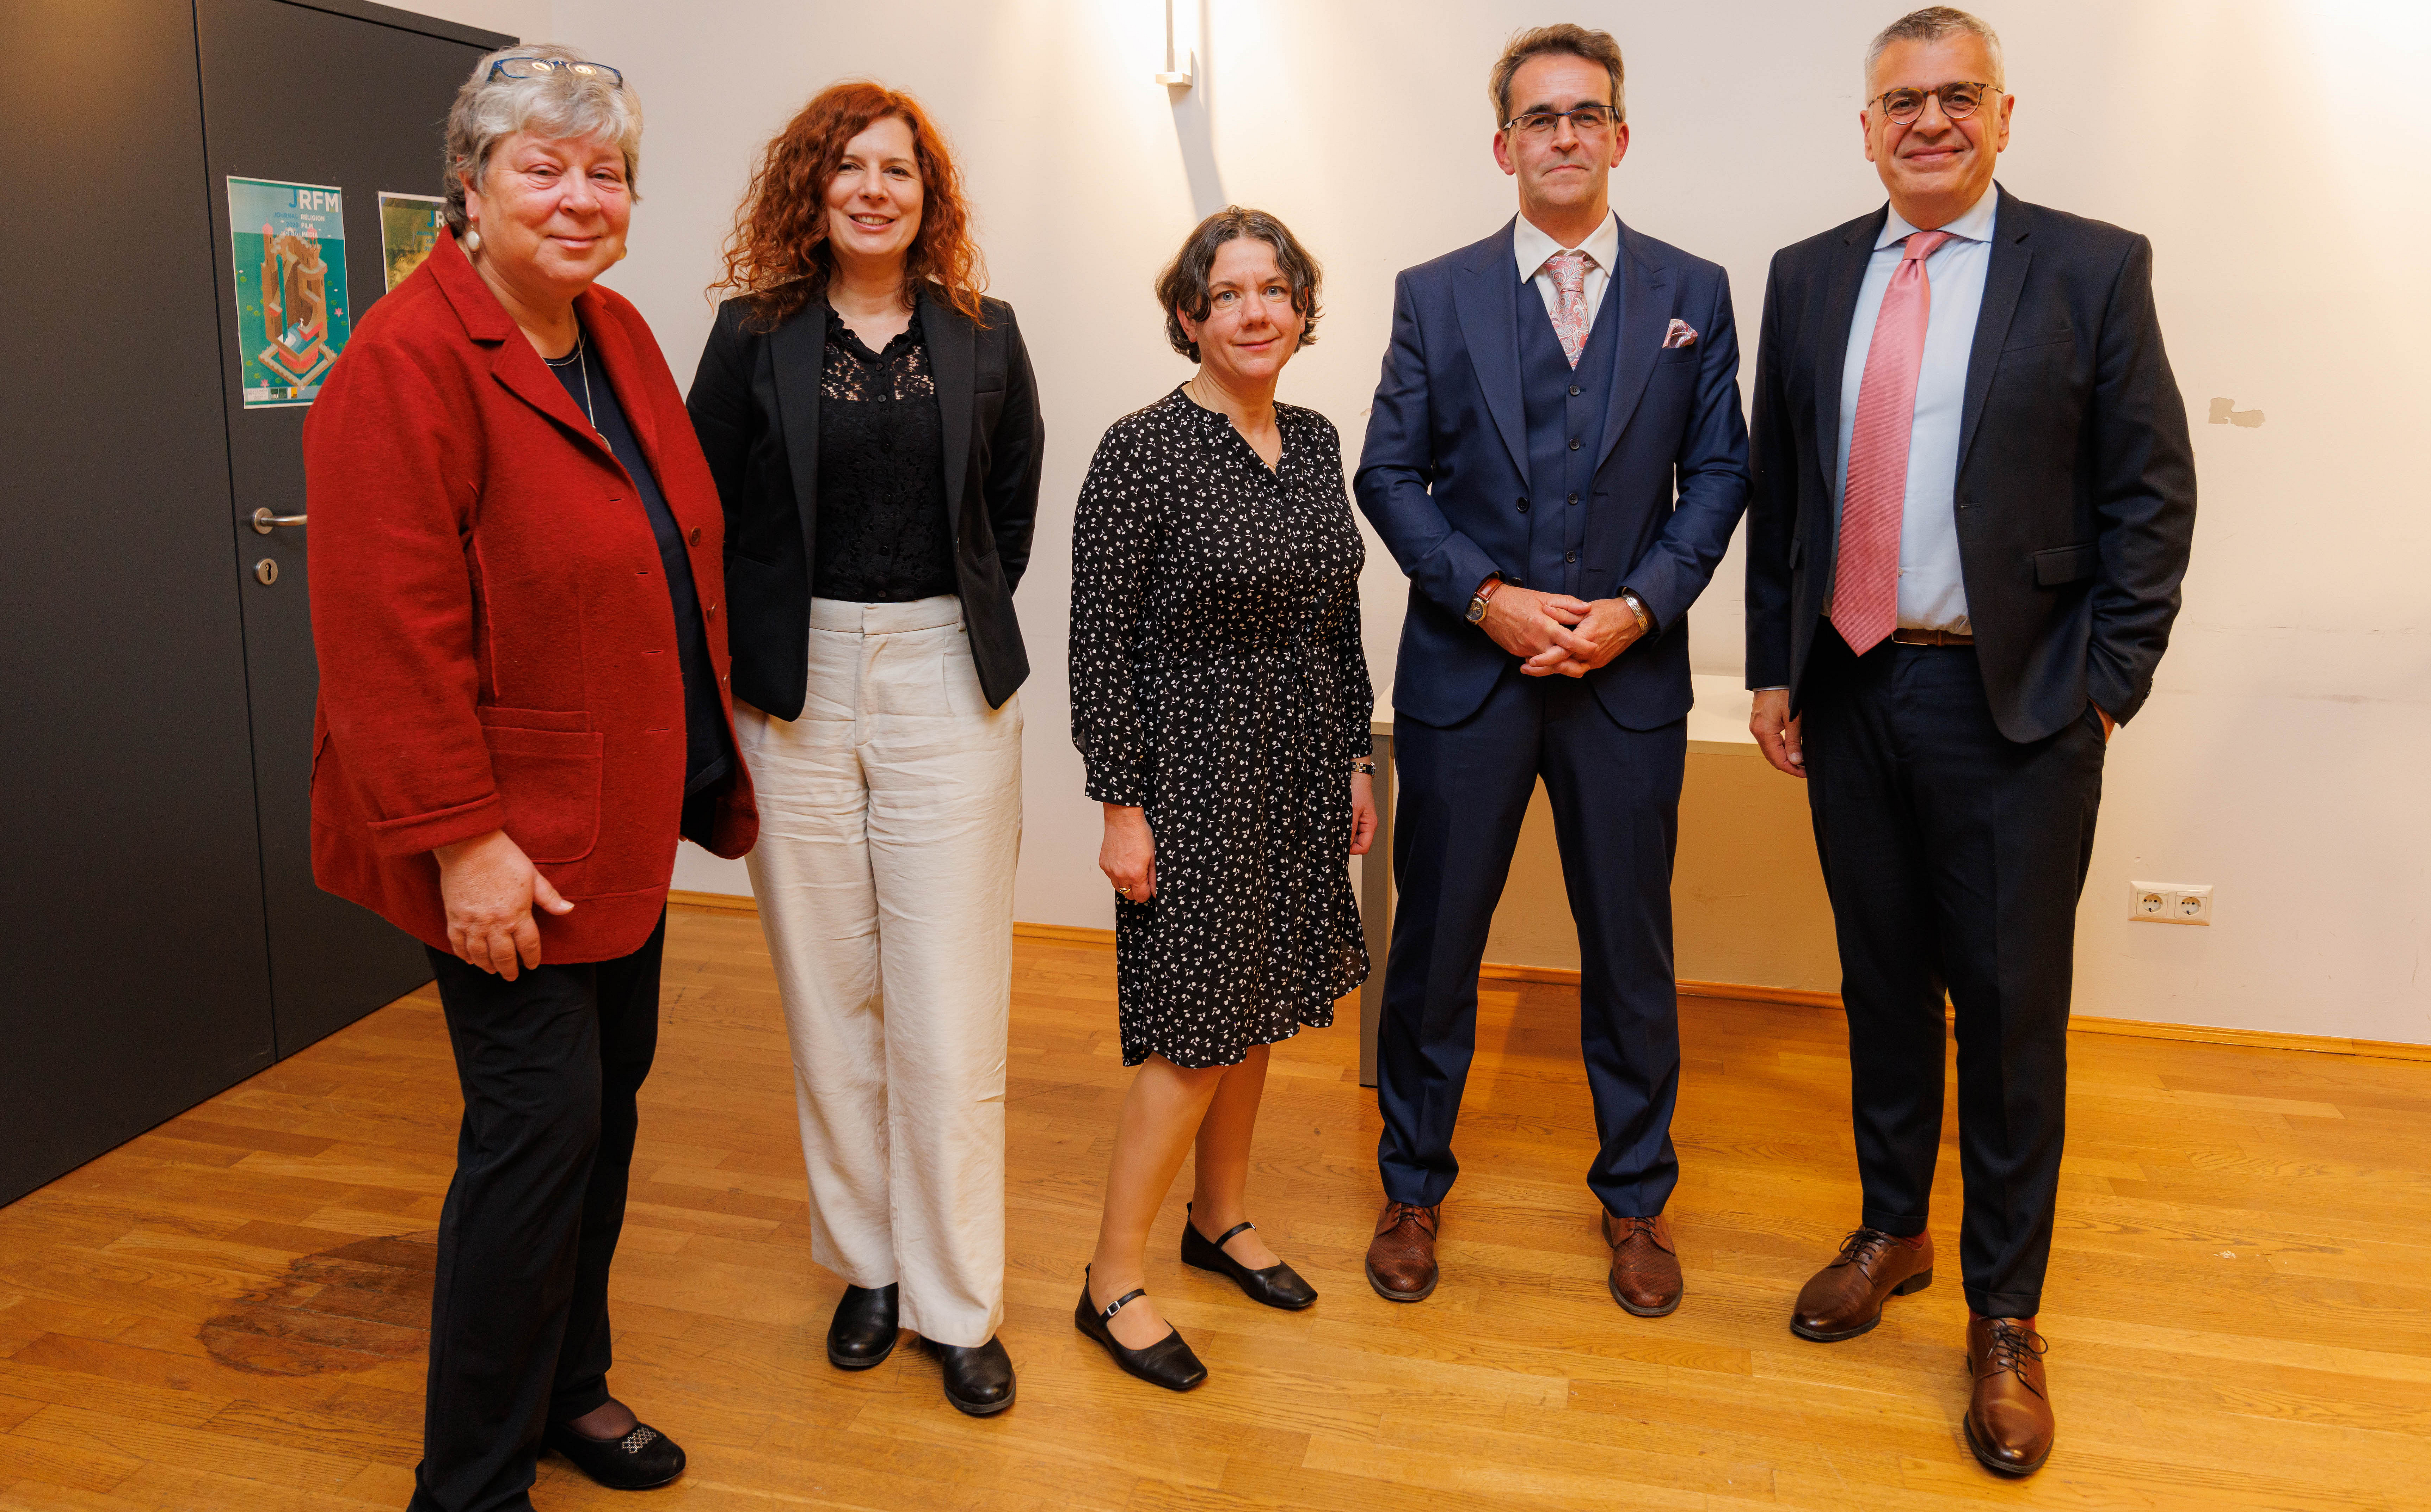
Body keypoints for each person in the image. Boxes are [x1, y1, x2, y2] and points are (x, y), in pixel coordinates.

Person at [1743, 7, 2195, 1477]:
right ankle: (1893, 1227)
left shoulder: (2088, 266)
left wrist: (2106, 679)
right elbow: (1784, 494)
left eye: (1956, 98)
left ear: (2005, 116)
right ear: (1864, 128)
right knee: (1880, 984)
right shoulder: (1808, 278)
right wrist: (1771, 669)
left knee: (2006, 1019)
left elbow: (2150, 494)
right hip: (1854, 689)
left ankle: (2006, 1310)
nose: (1927, 121)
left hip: (2017, 705)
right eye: (1900, 102)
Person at [303, 45, 753, 1512]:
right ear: (472, 188)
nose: (578, 197)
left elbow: (666, 548)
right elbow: (387, 632)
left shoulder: (609, 330)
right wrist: (462, 842)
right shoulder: (404, 359)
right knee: (534, 1136)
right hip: (503, 839)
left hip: (613, 810)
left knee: (603, 1113)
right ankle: (471, 1480)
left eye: (604, 171)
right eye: (541, 169)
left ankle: (570, 1383)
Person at [1353, 25, 1748, 1317]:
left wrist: (1641, 606)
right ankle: (1412, 1182)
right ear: (1505, 144)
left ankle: (1637, 1201)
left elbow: (1724, 475)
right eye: (1541, 117)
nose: (1565, 135)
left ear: (1620, 137)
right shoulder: (1435, 289)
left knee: (1630, 952)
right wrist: (1488, 597)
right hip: (1467, 681)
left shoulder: (1696, 287)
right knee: (1435, 948)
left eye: (1588, 116)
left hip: (1626, 683)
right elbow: (1389, 473)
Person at [686, 81, 1042, 1418]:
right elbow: (701, 513)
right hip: (795, 685)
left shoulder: (985, 335)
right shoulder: (748, 335)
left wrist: (942, 628)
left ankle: (958, 1302)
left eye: (899, 169)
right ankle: (870, 1267)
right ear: (813, 190)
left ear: (927, 195)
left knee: (951, 1006)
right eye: (850, 169)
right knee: (831, 991)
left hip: (951, 674)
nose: (875, 189)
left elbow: (1007, 506)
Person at [1067, 208, 1374, 1392]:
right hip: (1186, 772)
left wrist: (1352, 757)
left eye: (1275, 290)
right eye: (1229, 293)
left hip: (1295, 761)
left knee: (1256, 1009)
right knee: (1192, 1035)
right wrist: (1120, 804)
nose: (1256, 312)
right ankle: (1112, 1281)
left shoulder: (1314, 437)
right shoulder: (1139, 449)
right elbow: (1098, 643)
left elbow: (1337, 619)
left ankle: (1223, 1218)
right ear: (1189, 316)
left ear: (1300, 309)